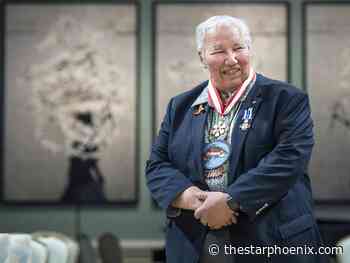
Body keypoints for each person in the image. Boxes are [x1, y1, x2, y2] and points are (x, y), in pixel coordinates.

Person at [146, 15, 329, 263]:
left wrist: (231, 201)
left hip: (272, 242)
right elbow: (158, 165)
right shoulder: (180, 106)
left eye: (239, 48)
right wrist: (191, 197)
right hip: (196, 245)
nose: (231, 59)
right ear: (202, 56)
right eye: (219, 51)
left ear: (250, 50)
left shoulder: (286, 99)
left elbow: (289, 159)